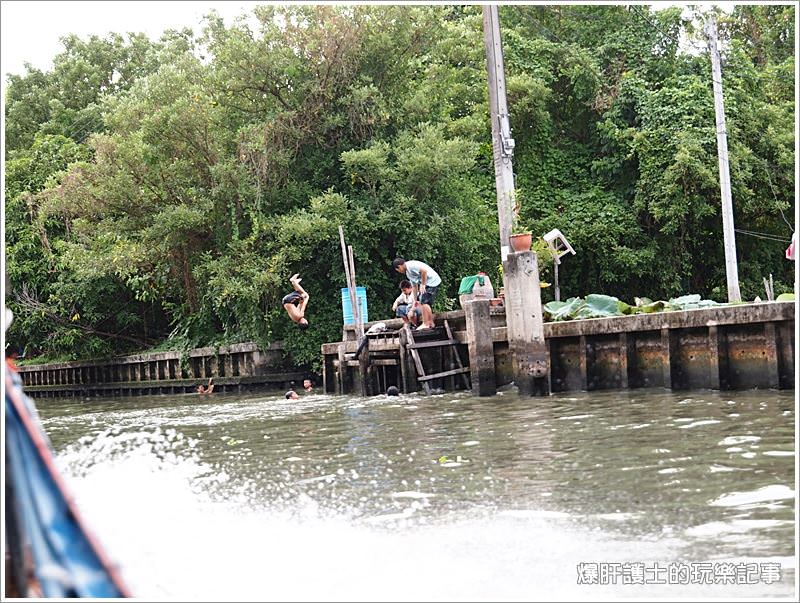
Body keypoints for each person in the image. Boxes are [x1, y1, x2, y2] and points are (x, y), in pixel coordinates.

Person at [392, 258, 441, 329]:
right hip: (428, 282)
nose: (399, 272)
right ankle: (431, 323)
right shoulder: (408, 273)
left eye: (398, 270)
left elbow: (424, 271)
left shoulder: (411, 266)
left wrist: (423, 284)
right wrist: (414, 300)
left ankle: (426, 323)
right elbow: (414, 286)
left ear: (399, 266)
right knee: (423, 300)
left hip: (432, 281)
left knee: (424, 301)